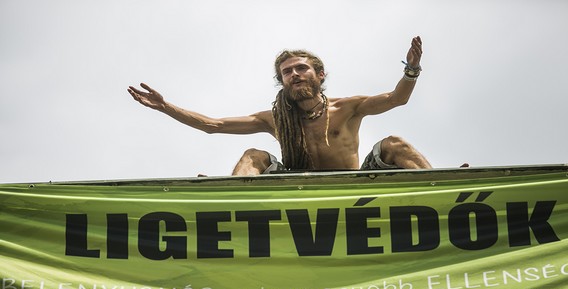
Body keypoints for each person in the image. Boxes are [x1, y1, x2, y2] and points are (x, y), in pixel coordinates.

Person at [128, 36, 432, 176]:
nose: (294, 74)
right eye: (287, 72)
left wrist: (411, 69)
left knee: (395, 144)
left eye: (301, 69)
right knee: (254, 155)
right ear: (282, 82)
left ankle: (449, 191)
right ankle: (233, 198)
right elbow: (213, 125)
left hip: (352, 183)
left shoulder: (349, 107)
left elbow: (397, 98)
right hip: (296, 185)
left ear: (319, 75)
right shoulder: (276, 119)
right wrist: (165, 106)